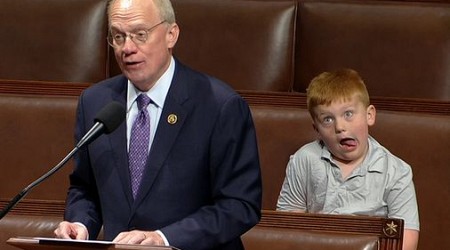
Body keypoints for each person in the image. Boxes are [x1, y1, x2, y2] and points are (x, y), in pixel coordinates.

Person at [53, 0, 262, 249]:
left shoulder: (219, 106)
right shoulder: (95, 102)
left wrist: (164, 238)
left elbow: (240, 205)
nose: (127, 48)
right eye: (118, 37)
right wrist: (80, 224)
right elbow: (85, 188)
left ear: (171, 35)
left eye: (140, 35)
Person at [276, 69, 419, 250]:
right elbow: (287, 226)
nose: (340, 127)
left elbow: (406, 241)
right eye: (327, 119)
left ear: (370, 115)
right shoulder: (304, 159)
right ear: (316, 128)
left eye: (348, 114)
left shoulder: (397, 172)